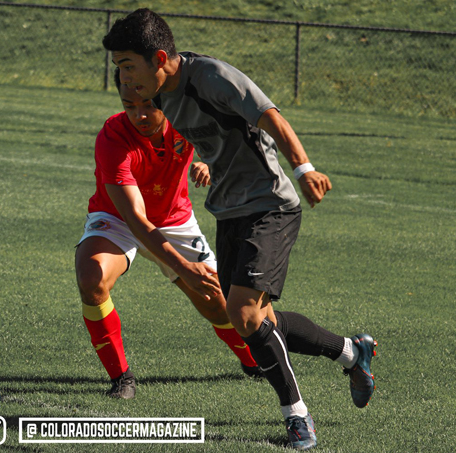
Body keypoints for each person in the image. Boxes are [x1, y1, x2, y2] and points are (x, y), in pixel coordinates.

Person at [102, 9, 377, 450]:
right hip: (229, 211)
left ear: (158, 58)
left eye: (127, 66)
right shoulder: (159, 96)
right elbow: (201, 136)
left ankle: (297, 418)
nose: (124, 80)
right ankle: (350, 351)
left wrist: (303, 167)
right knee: (255, 319)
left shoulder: (210, 76)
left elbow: (267, 113)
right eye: (119, 69)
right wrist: (204, 160)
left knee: (246, 316)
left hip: (270, 204)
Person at [75, 68, 262, 401]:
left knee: (221, 304)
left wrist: (208, 161)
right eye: (129, 105)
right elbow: (136, 218)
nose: (139, 114)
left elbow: (225, 141)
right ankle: (121, 378)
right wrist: (183, 268)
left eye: (147, 103)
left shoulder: (187, 116)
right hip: (120, 219)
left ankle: (253, 363)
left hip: (175, 220)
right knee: (92, 278)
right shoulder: (113, 137)